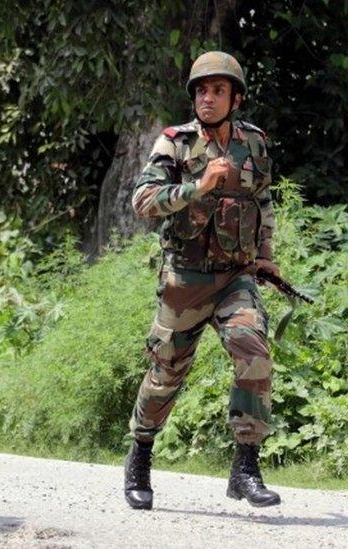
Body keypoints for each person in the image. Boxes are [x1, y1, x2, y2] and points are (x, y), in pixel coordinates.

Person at [125, 51, 281, 510]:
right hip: (185, 280)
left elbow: (263, 202)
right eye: (200, 90)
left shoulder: (252, 144)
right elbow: (143, 201)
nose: (206, 98)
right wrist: (197, 188)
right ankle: (140, 455)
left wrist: (266, 257)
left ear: (236, 98)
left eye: (217, 90)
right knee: (166, 373)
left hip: (235, 276)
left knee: (253, 348)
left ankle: (245, 468)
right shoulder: (174, 144)